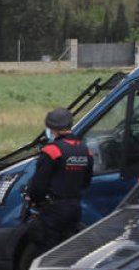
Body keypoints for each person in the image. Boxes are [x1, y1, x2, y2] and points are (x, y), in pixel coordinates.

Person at [25, 107, 94, 255]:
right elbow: (86, 182)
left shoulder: (52, 150)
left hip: (53, 211)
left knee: (47, 252)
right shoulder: (85, 150)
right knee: (66, 252)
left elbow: (39, 185)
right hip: (75, 208)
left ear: (52, 128)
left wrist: (35, 201)